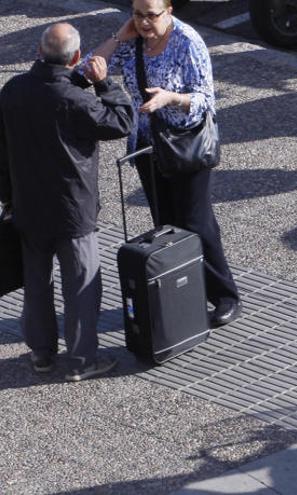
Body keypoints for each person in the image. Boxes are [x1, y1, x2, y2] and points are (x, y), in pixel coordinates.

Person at [86, 0, 241, 327]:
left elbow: (205, 102)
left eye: (151, 15)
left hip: (186, 145)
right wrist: (118, 36)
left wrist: (171, 99)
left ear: (169, 11)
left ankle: (225, 295)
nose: (144, 22)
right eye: (137, 15)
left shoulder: (188, 42)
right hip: (148, 146)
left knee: (196, 222)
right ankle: (186, 291)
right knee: (166, 224)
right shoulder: (133, 42)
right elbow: (89, 66)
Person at [0, 23, 134, 381]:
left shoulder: (12, 90)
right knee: (81, 286)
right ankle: (80, 362)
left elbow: (2, 150)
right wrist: (104, 83)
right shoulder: (77, 100)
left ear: (38, 50)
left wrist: (7, 198)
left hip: (28, 206)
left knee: (36, 284)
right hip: (72, 209)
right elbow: (122, 121)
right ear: (75, 57)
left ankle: (41, 354)